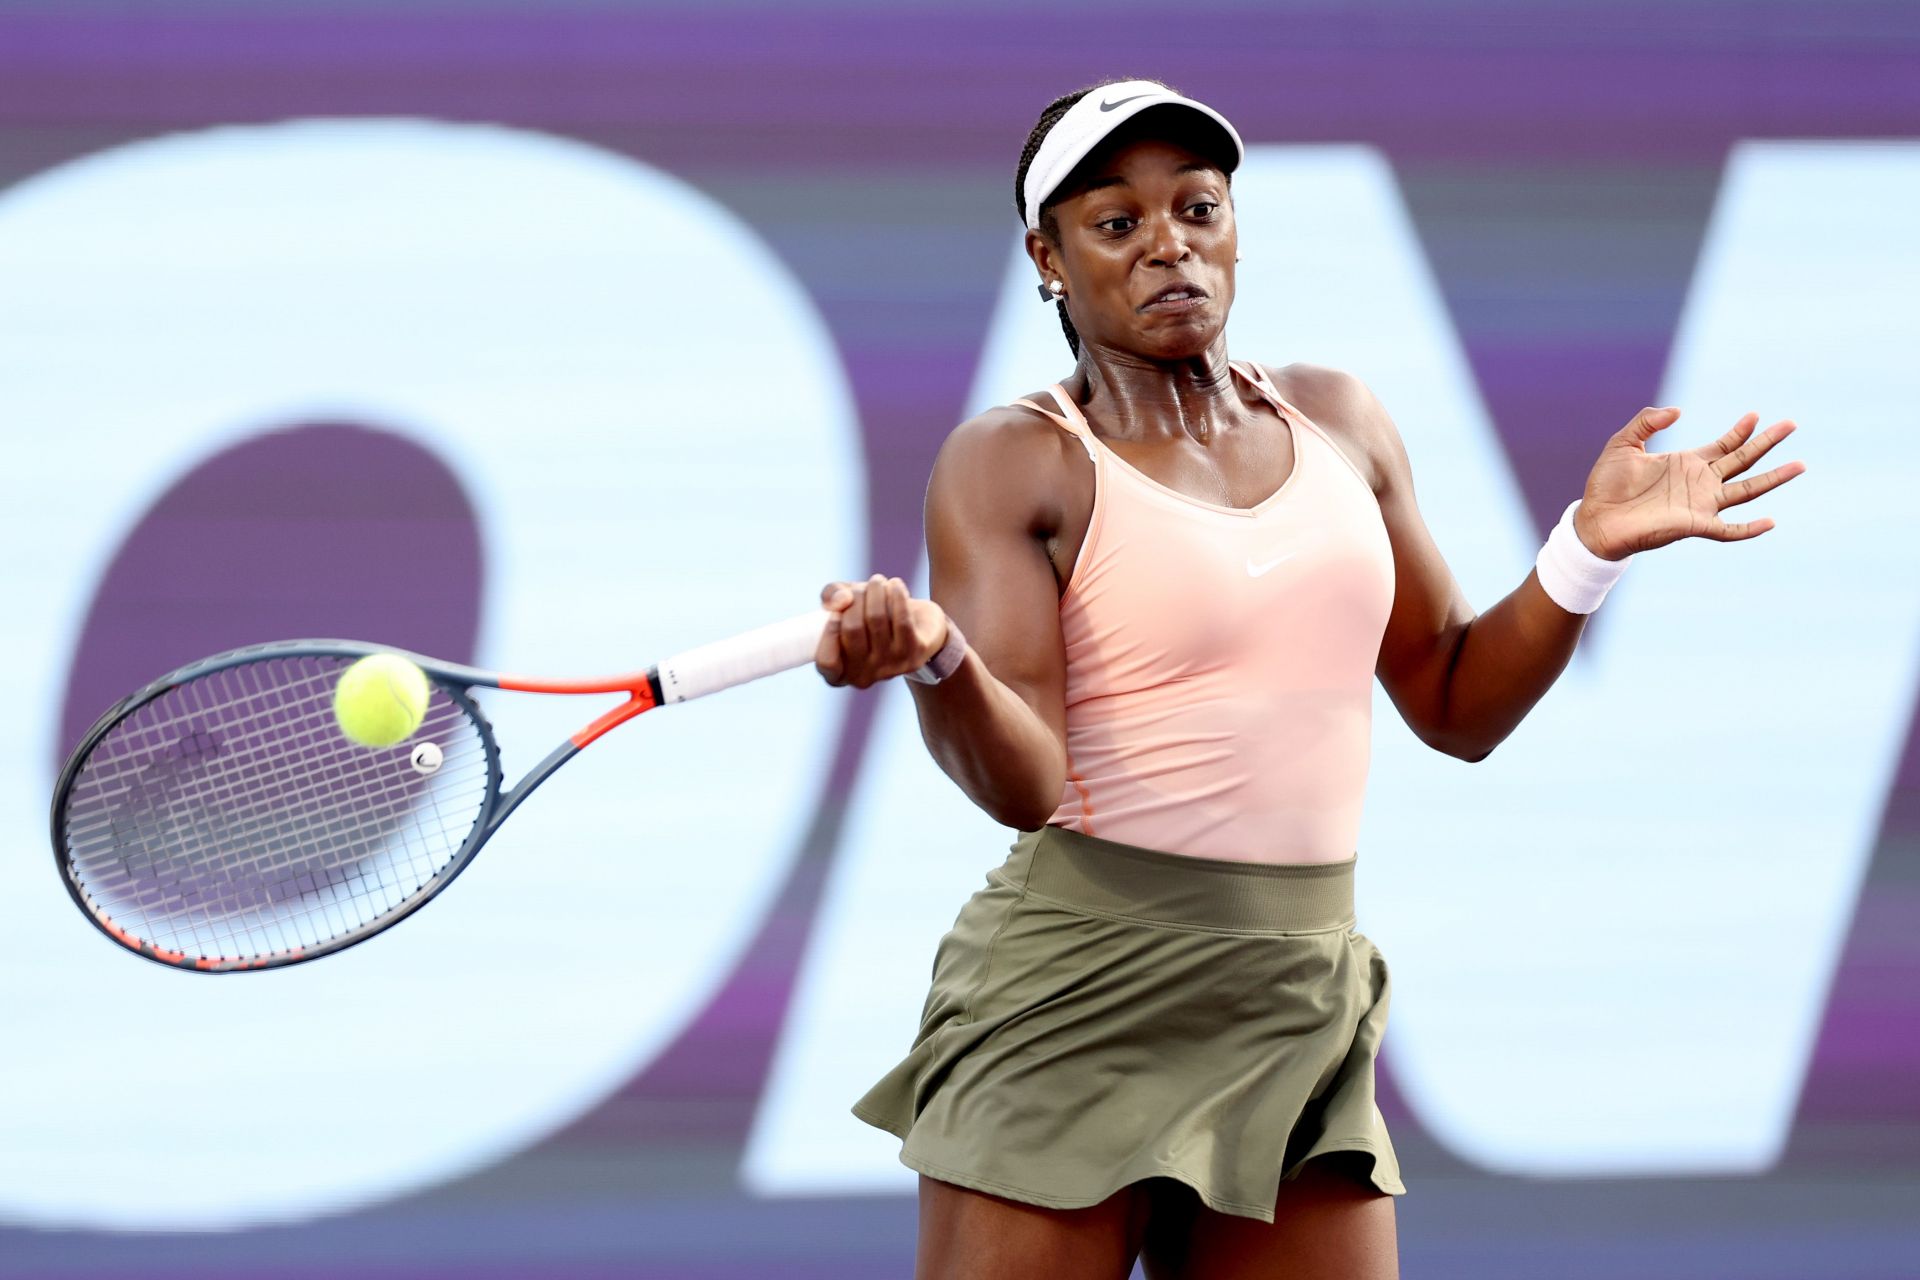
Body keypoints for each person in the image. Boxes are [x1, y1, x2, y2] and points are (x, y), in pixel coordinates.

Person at [813, 78, 1805, 1280]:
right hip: (1073, 993)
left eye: (1197, 205)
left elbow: (1456, 699)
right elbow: (1025, 781)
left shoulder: (1340, 417)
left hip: (1298, 990)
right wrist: (941, 660)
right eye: (1117, 222)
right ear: (1049, 258)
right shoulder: (1015, 458)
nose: (1169, 242)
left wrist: (1583, 552)